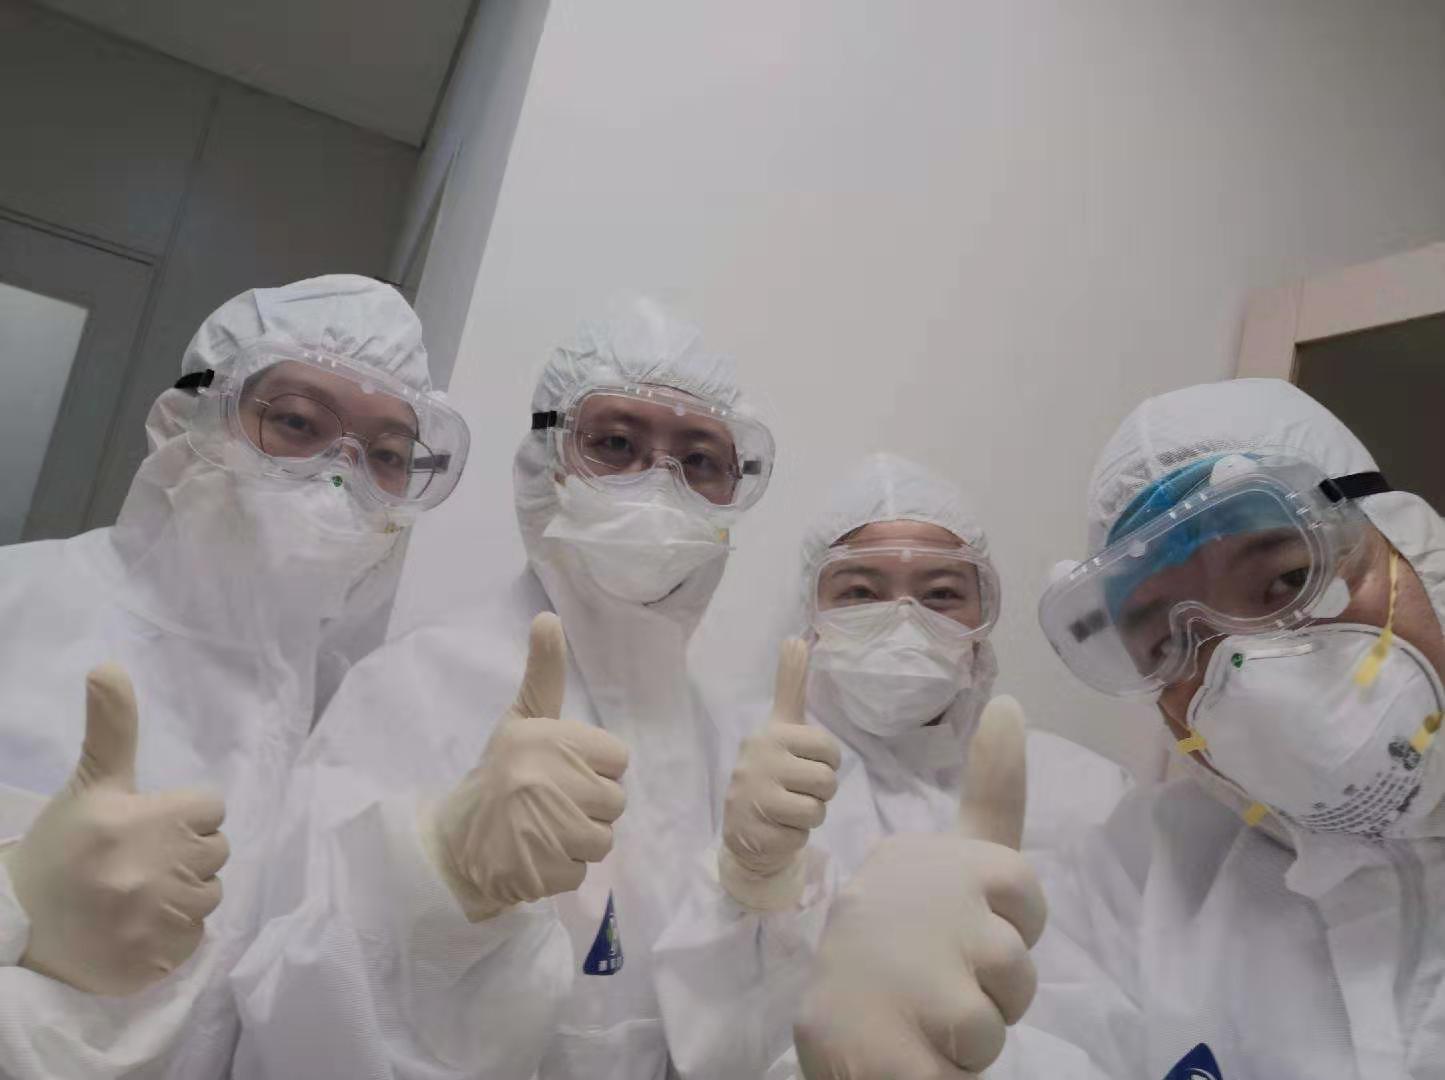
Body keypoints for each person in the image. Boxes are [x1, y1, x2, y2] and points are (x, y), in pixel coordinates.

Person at [797, 378, 1445, 1079]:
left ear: (1408, 541)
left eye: (1288, 580)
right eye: (1168, 640)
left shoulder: (1089, 795)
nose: (1243, 670)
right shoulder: (1140, 877)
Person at [229, 296, 778, 1079]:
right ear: (546, 463)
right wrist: (442, 878)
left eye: (700, 462)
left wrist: (761, 895)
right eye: (615, 443)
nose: (659, 485)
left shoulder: (718, 734)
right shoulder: (414, 686)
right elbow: (295, 1018)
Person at [0, 275, 467, 1080]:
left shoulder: (354, 712)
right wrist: (14, 900)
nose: (339, 476)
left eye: (386, 456)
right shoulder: (18, 604)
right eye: (297, 422)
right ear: (188, 417)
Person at [654, 452, 1130, 1079]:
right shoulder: (739, 760)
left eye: (941, 594)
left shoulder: (1086, 794)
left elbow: (1116, 1029)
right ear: (812, 613)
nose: (904, 619)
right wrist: (747, 881)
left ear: (982, 620)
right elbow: (701, 1048)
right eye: (859, 593)